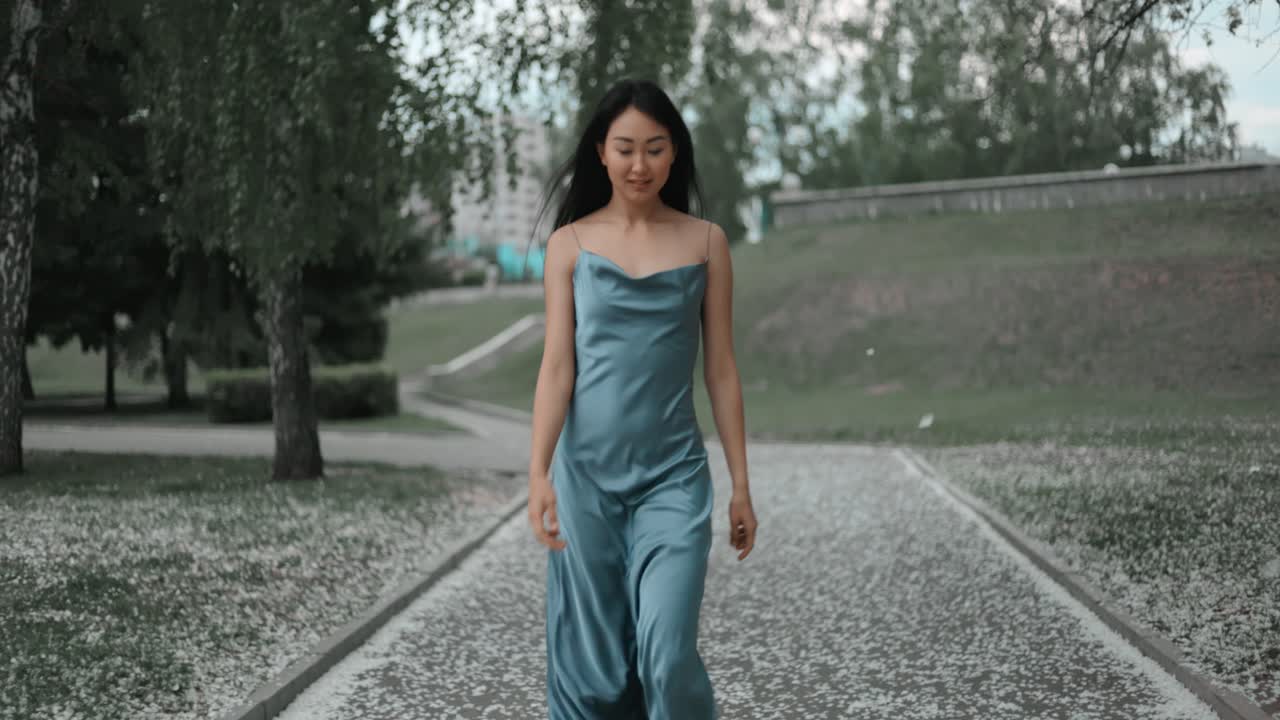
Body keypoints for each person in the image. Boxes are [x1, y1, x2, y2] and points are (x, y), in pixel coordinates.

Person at [525, 77, 757, 720]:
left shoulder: (706, 243)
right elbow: (556, 368)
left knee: (666, 650)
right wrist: (538, 473)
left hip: (672, 480)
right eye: (625, 148)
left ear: (674, 154)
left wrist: (740, 484)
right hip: (585, 483)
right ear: (601, 151)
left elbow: (722, 372)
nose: (639, 164)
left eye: (655, 148)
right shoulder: (568, 246)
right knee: (594, 672)